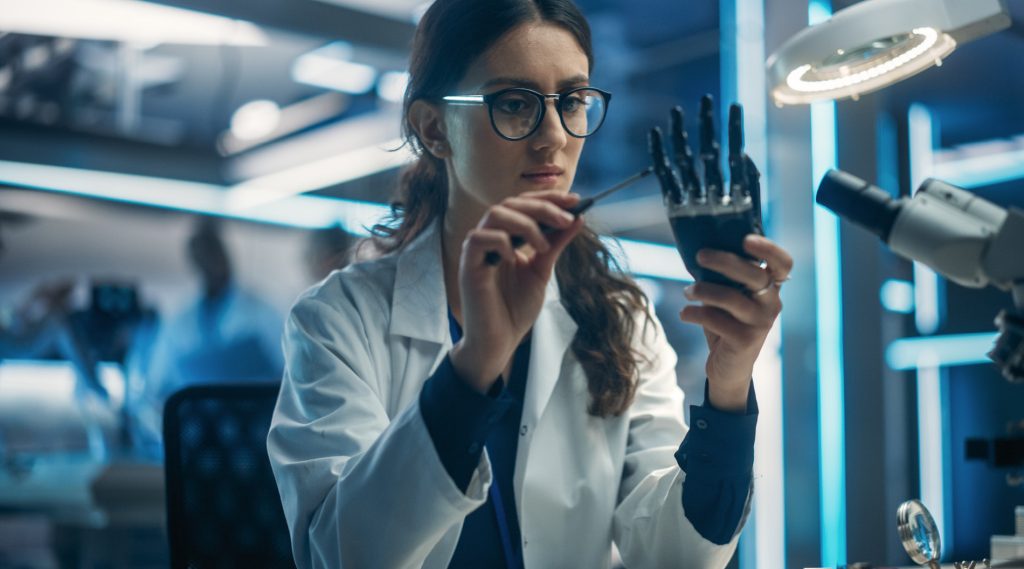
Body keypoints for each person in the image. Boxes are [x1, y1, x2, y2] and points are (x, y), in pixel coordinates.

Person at [267, 1, 793, 567]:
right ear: (434, 128)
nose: (553, 138)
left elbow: (676, 556)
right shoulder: (337, 320)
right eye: (515, 104)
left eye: (571, 101)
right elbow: (340, 555)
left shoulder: (620, 315)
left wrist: (730, 383)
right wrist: (473, 369)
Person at [133, 217, 284, 457]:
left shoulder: (262, 311)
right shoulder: (178, 321)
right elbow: (156, 389)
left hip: (255, 440)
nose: (213, 262)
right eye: (203, 255)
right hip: (197, 442)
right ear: (194, 262)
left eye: (216, 252)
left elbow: (289, 377)